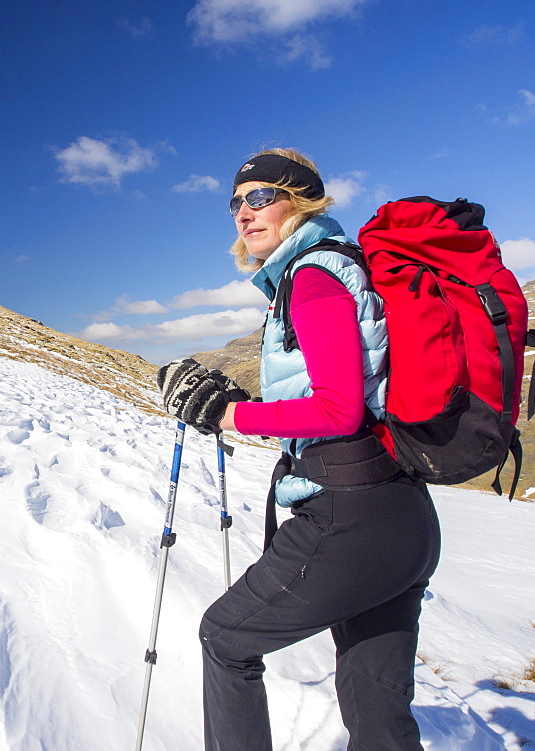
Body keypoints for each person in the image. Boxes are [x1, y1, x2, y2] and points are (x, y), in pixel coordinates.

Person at [157, 148, 441, 750]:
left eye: (261, 197)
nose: (244, 212)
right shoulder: (337, 268)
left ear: (302, 200)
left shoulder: (313, 275)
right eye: (236, 202)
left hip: (351, 517)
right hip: (401, 518)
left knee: (226, 639)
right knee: (375, 710)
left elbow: (338, 410)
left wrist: (228, 413)